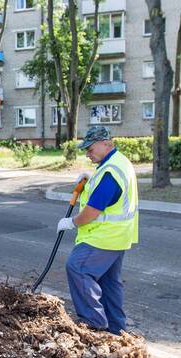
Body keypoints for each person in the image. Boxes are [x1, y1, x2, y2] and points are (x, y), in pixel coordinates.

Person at [57, 126, 139, 335]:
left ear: (106, 144)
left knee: (78, 268)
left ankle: (93, 323)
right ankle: (116, 330)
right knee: (109, 282)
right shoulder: (116, 162)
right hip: (118, 237)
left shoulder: (110, 172)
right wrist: (90, 178)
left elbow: (92, 211)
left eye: (90, 149)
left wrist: (71, 222)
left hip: (103, 237)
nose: (87, 154)